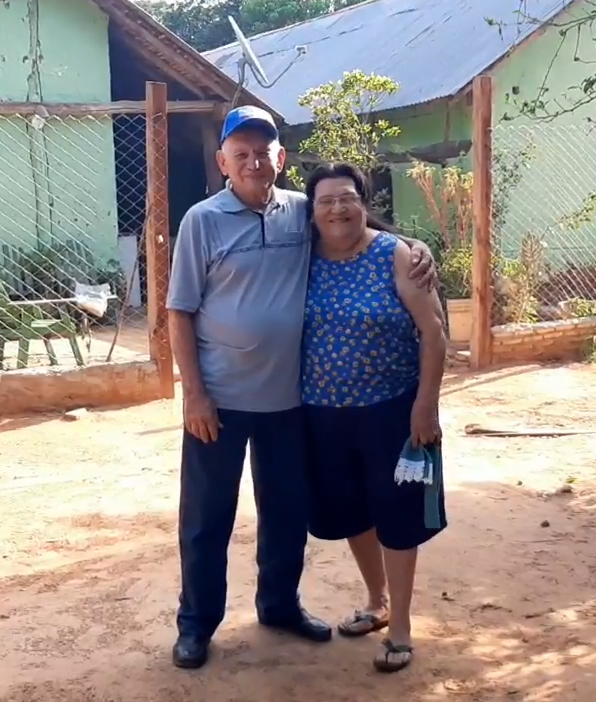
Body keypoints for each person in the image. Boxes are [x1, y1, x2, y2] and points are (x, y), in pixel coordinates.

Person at [166, 106, 436, 670]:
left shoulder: (299, 213)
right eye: (240, 154)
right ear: (222, 162)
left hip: (290, 400)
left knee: (286, 512)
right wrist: (193, 393)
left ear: (280, 159)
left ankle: (279, 605)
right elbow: (179, 312)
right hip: (218, 400)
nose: (253, 163)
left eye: (263, 152)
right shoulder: (201, 220)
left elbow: (354, 230)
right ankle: (196, 626)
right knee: (206, 518)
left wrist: (415, 247)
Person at [300, 162, 448, 674]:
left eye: (347, 198)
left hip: (393, 412)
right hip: (322, 413)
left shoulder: (399, 256)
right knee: (350, 511)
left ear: (364, 202)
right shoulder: (301, 259)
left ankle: (402, 626)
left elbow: (434, 333)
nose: (337, 208)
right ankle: (376, 600)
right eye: (325, 201)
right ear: (312, 211)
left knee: (398, 513)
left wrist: (424, 405)